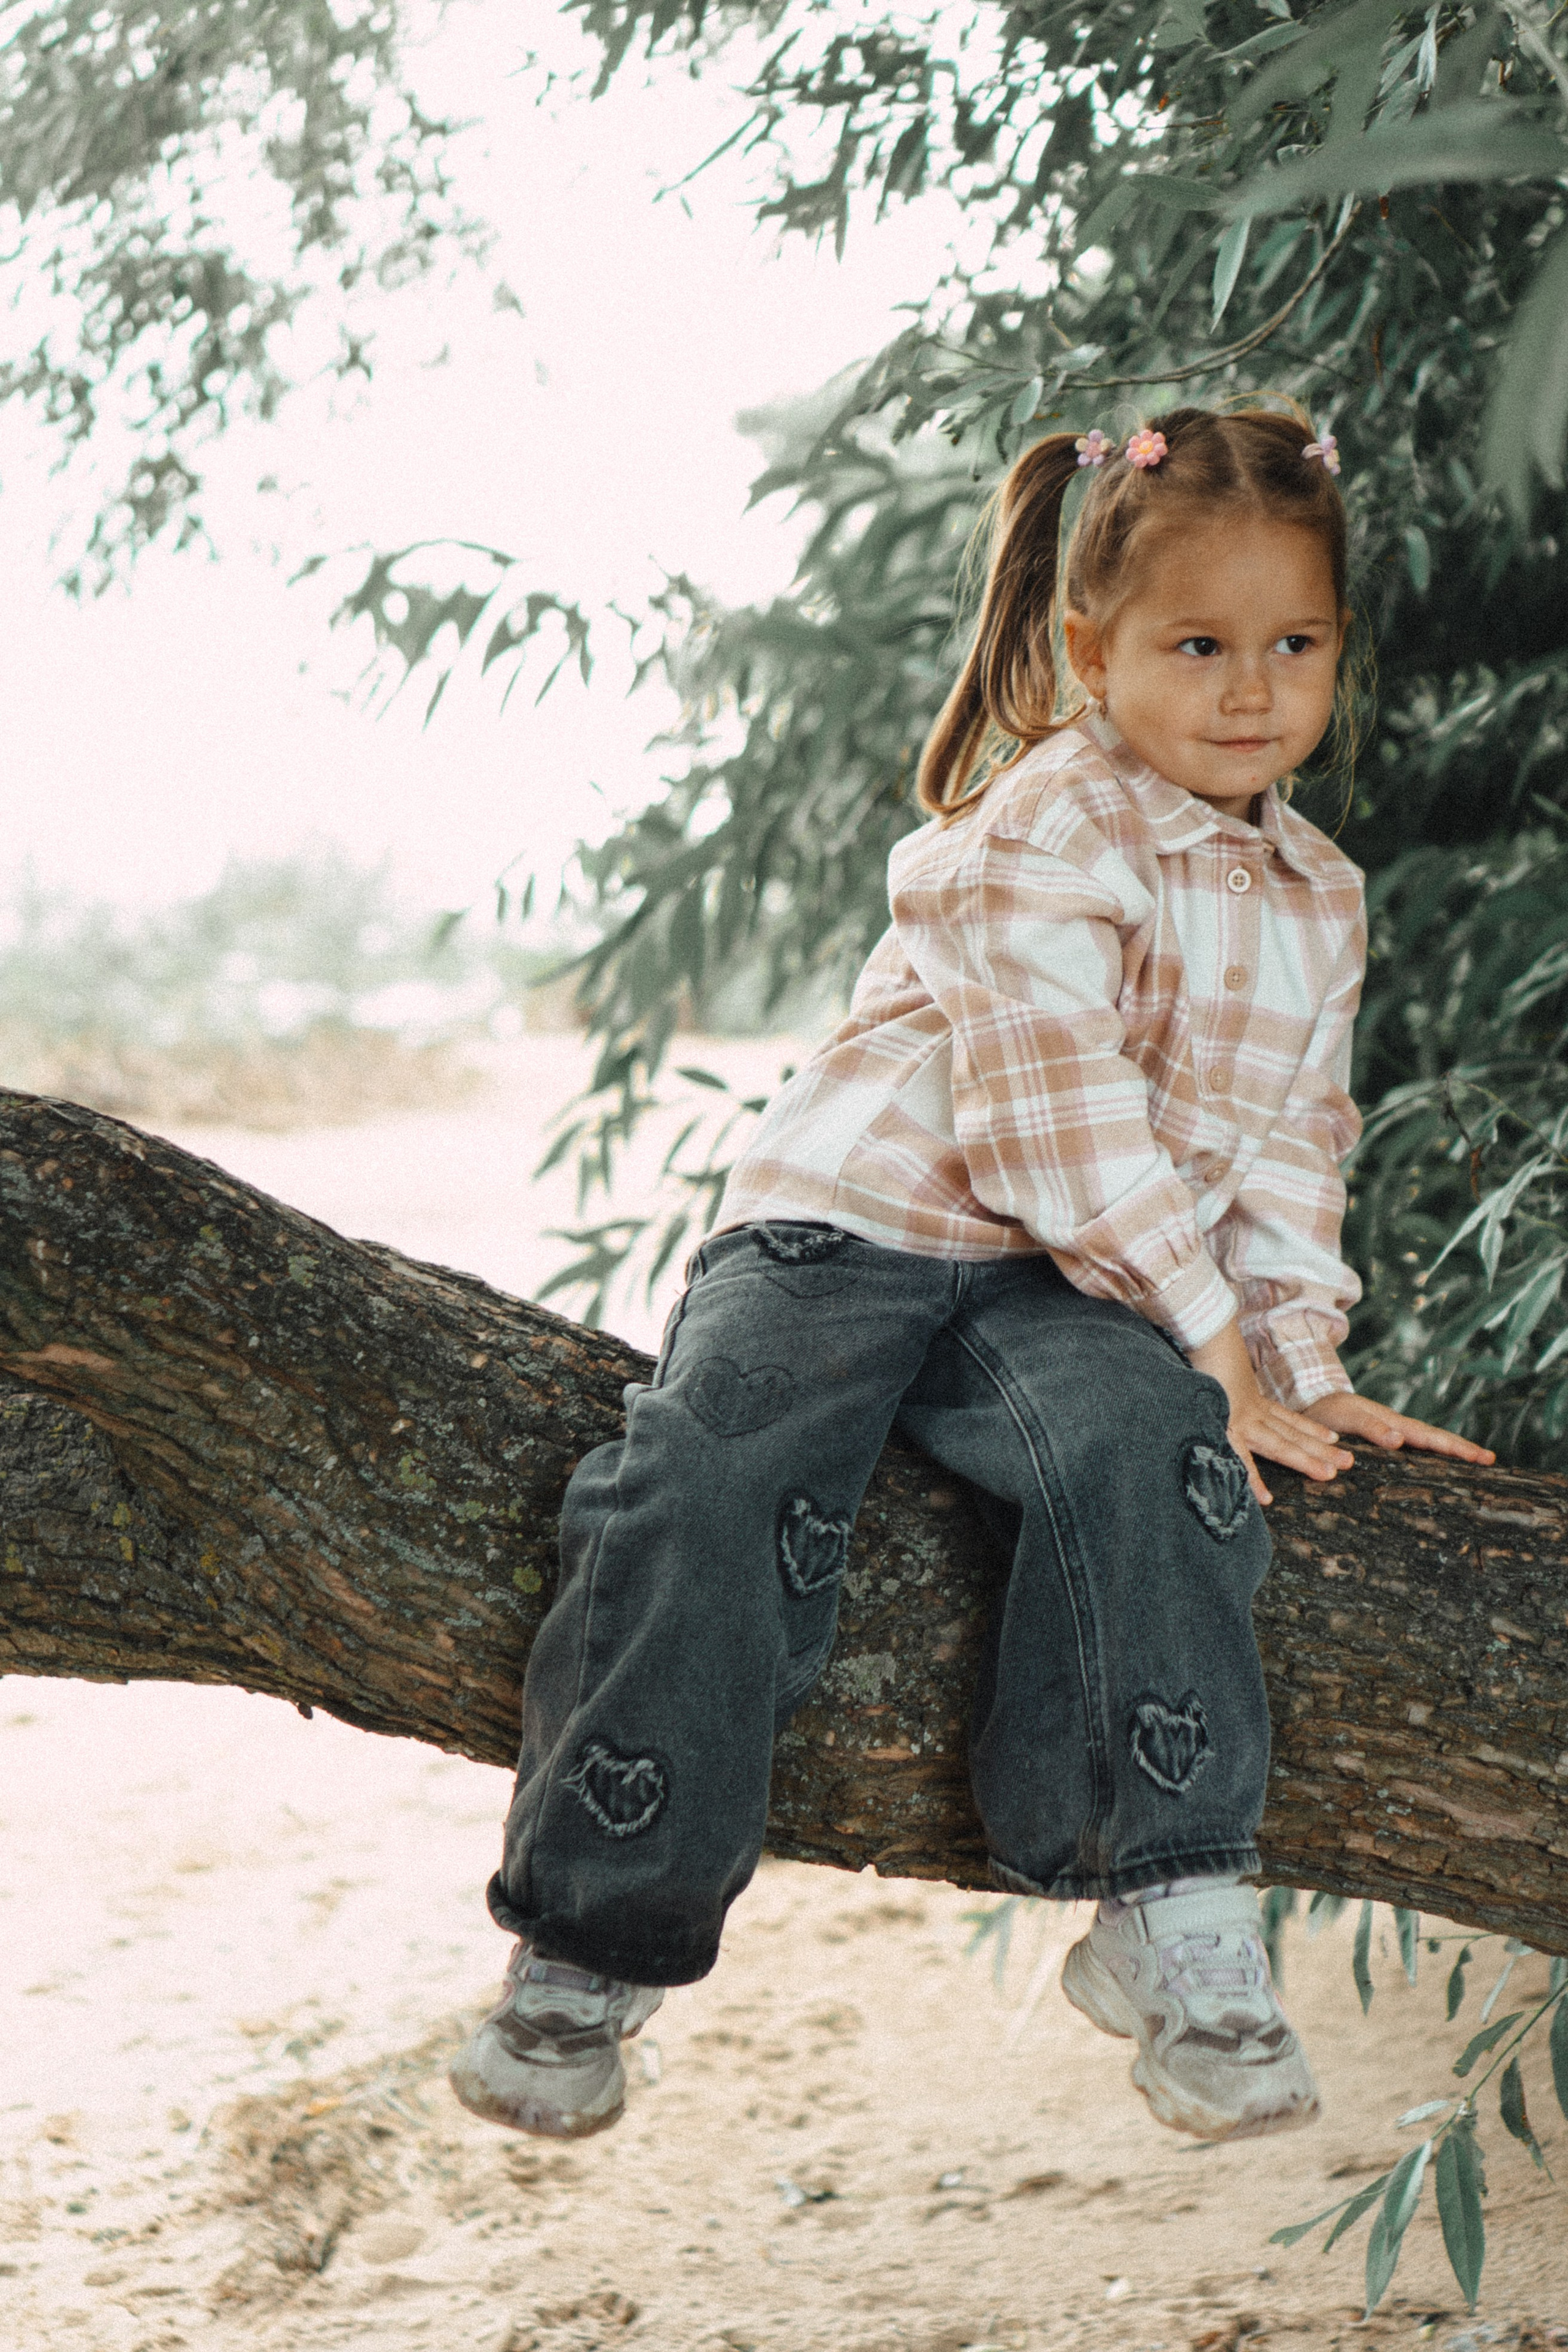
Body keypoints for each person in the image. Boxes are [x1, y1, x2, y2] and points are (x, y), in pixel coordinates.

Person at [448, 403, 1493, 2149]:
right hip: (852, 1230)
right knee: (712, 1475)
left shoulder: (1320, 895)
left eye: (1295, 645)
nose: (1254, 689)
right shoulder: (1046, 825)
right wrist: (1217, 1333)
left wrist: (1290, 1362)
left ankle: (1167, 1905)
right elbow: (1051, 1122)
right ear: (1092, 650)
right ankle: (587, 1940)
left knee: (1163, 1457)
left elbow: (1297, 1142)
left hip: (1064, 1289)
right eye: (1201, 646)